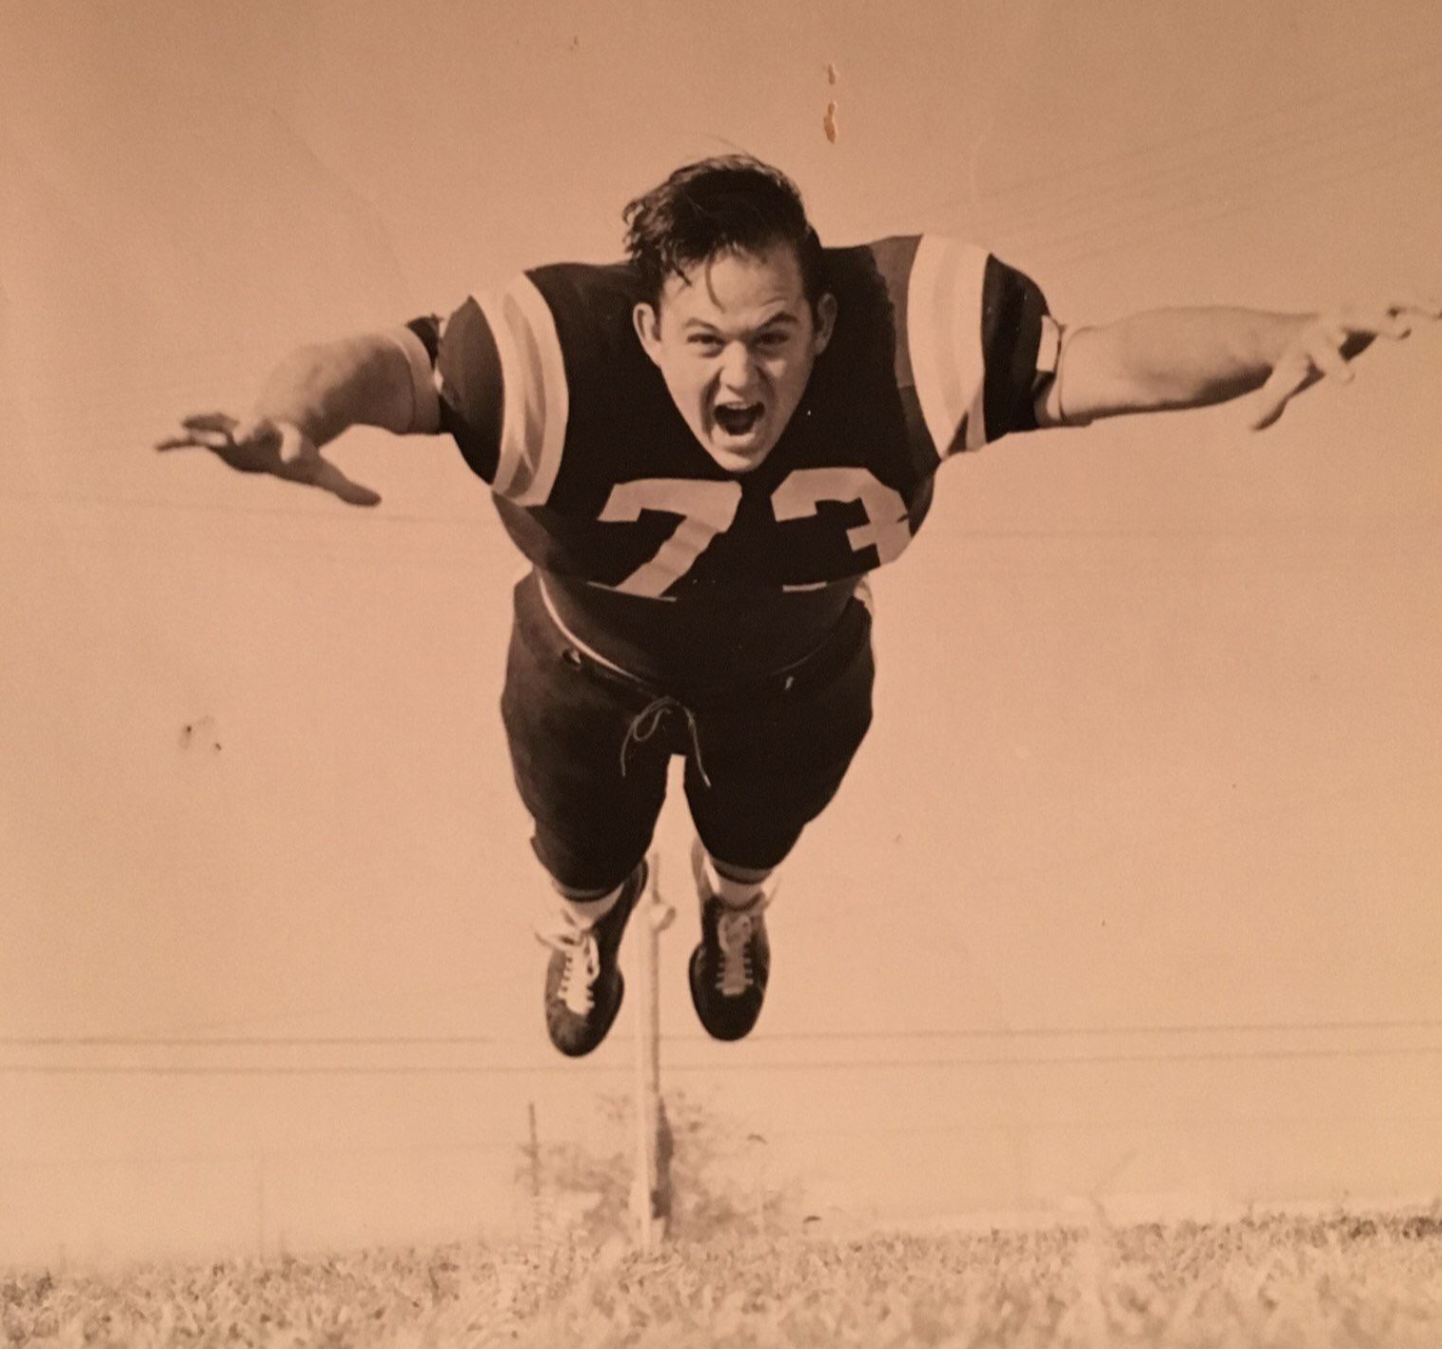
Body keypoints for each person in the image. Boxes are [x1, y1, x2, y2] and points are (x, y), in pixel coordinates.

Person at [158, 156, 1435, 1058]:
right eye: (705, 339)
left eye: (773, 337)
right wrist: (294, 410)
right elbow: (391, 361)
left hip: (794, 664)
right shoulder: (550, 353)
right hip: (587, 652)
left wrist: (1281, 333)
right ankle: (585, 928)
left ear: (824, 322)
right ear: (645, 328)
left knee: (760, 829)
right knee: (581, 848)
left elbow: (1102, 360)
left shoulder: (903, 335)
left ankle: (736, 905)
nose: (740, 373)